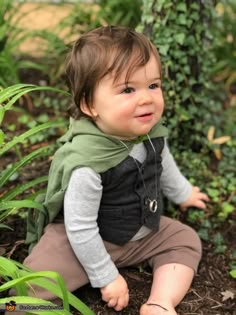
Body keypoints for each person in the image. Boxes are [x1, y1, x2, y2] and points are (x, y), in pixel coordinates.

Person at [21, 26, 209, 315]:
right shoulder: (88, 163)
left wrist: (183, 193)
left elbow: (163, 164)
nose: (146, 98)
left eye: (153, 85)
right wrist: (107, 277)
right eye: (128, 89)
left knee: (185, 241)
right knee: (31, 289)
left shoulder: (151, 132)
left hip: (142, 232)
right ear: (89, 105)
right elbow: (80, 227)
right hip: (80, 243)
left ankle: (160, 302)